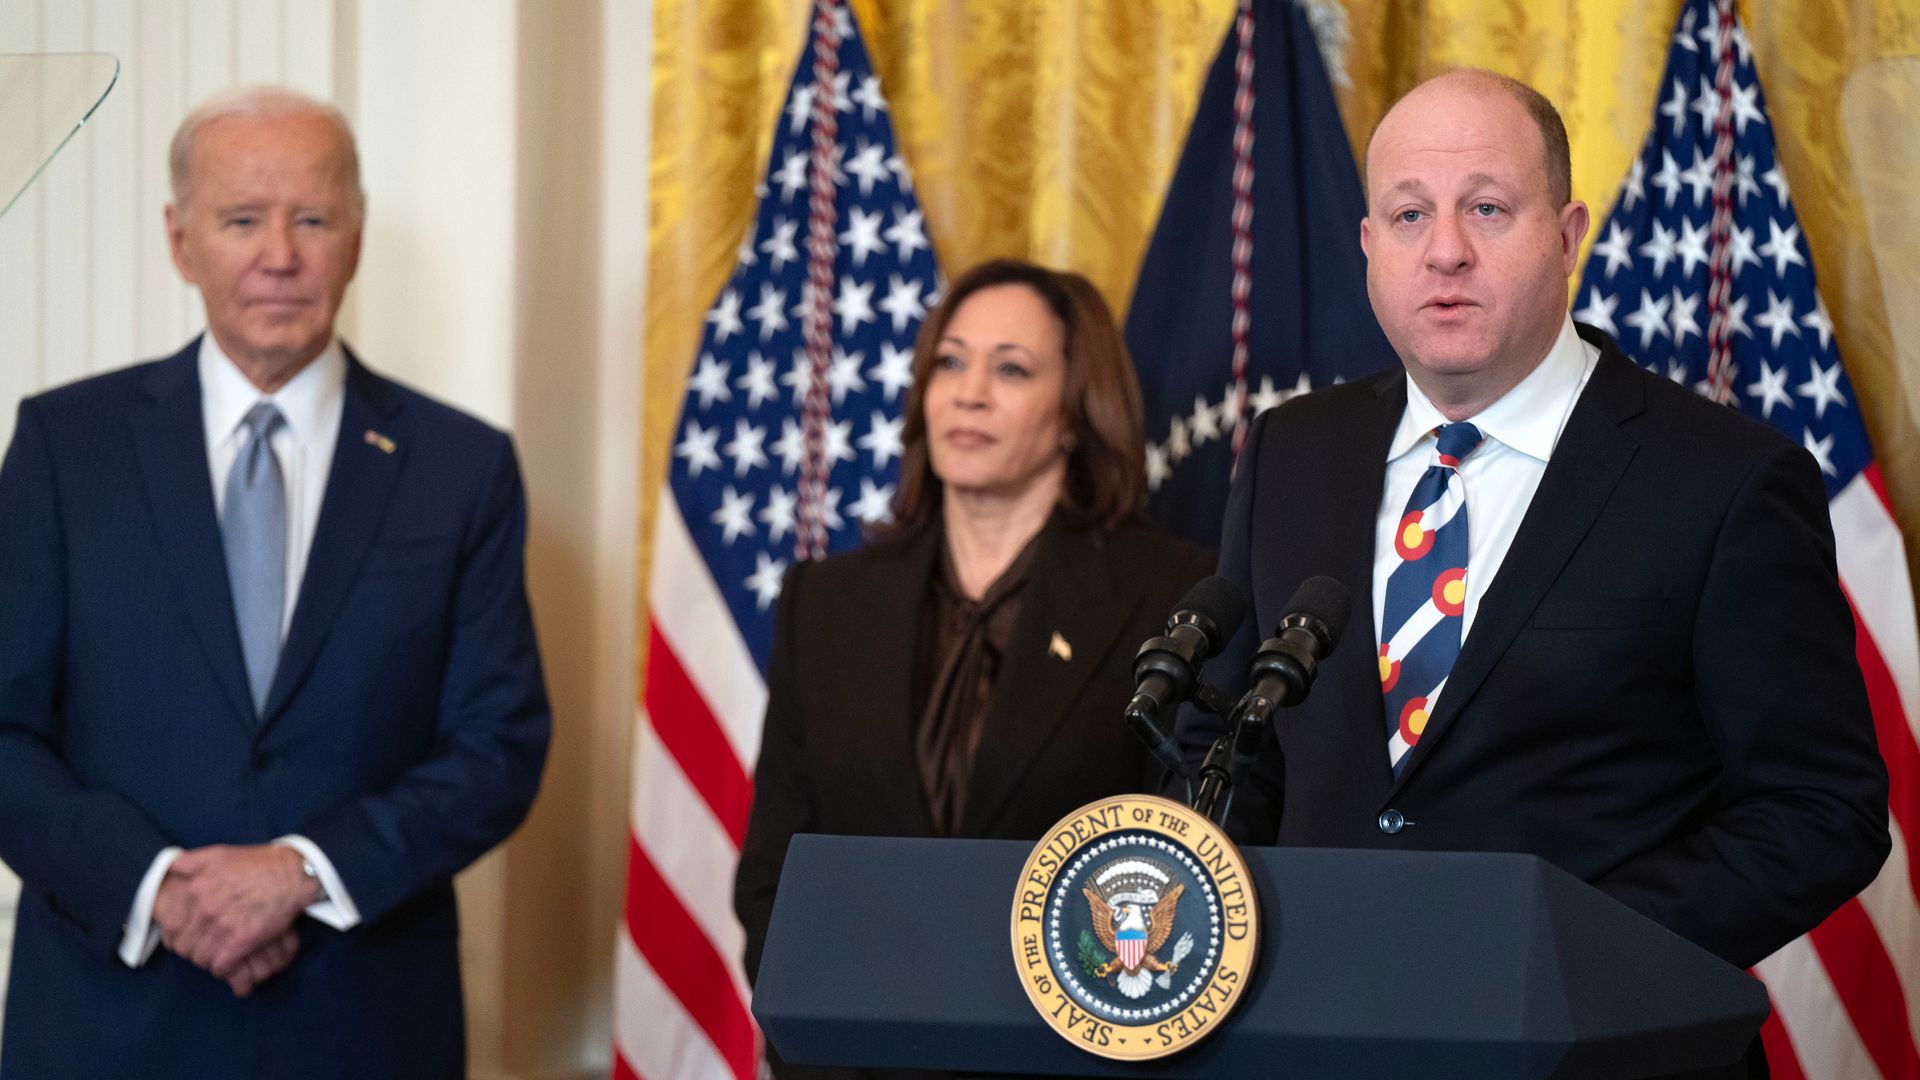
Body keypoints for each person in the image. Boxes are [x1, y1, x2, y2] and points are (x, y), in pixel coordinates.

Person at [1178, 69, 1887, 1073]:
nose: (1446, 251)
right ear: (1369, 246)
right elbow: (1226, 741)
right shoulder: (1293, 451)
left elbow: (1820, 809)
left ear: (1566, 233)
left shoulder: (1726, 481)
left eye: (1487, 209)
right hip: (1317, 1041)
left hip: (1600, 1050)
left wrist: (1558, 949)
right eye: (1410, 215)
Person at [0, 87, 549, 1079]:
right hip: (107, 1023)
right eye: (242, 220)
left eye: (314, 220)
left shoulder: (460, 468)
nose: (280, 256)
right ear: (180, 242)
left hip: (362, 1025)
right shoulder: (64, 447)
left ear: (357, 239)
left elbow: (498, 746)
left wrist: (303, 871)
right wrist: (159, 889)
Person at [734, 259, 1214, 1075]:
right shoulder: (825, 602)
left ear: (1075, 413)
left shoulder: (1172, 597)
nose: (970, 393)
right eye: (950, 363)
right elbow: (776, 880)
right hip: (851, 1061)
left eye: (1012, 369)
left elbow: (1183, 874)